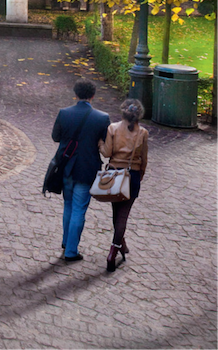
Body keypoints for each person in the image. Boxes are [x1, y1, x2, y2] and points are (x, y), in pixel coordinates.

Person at [51, 78, 110, 262]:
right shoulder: (102, 118)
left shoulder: (64, 113)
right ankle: (71, 250)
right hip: (87, 168)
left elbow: (55, 137)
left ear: (75, 94)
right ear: (93, 96)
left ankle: (65, 241)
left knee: (68, 205)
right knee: (79, 209)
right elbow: (106, 143)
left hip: (67, 167)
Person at [98, 99, 149, 272]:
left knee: (116, 212)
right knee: (123, 215)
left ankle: (119, 245)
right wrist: (139, 175)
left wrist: (99, 143)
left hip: (114, 174)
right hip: (132, 175)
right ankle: (115, 249)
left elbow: (107, 152)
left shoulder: (112, 128)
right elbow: (144, 159)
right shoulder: (143, 133)